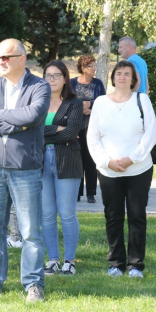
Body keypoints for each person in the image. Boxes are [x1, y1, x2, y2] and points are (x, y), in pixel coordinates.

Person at [0, 38, 50, 302]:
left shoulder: (40, 85)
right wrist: (15, 122)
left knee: (30, 232)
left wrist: (0, 115)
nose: (1, 62)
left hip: (25, 168)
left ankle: (33, 285)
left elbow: (33, 115)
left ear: (22, 58)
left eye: (6, 57)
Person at [87, 60, 156, 278]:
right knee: (113, 217)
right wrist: (107, 161)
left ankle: (135, 265)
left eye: (127, 74)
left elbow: (151, 133)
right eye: (119, 73)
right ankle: (115, 264)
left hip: (138, 169)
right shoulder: (100, 102)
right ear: (113, 77)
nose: (123, 77)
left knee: (137, 216)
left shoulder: (141, 99)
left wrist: (131, 158)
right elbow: (93, 137)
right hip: (109, 171)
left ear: (133, 79)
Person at [41, 60, 83, 276]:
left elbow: (72, 132)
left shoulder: (74, 103)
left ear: (65, 78)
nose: (52, 79)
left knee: (66, 213)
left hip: (67, 160)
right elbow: (30, 132)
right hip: (40, 163)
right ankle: (53, 260)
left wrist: (45, 132)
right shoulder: (38, 102)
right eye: (48, 75)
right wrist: (57, 128)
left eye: (56, 75)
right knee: (47, 215)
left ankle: (69, 261)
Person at [71, 55, 106, 203]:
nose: (94, 69)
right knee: (77, 160)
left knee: (91, 159)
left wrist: (88, 105)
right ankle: (77, 193)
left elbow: (102, 101)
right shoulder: (72, 83)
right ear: (83, 68)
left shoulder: (97, 83)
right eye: (90, 66)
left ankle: (91, 193)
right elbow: (68, 102)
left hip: (92, 127)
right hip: (75, 127)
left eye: (94, 66)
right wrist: (81, 108)